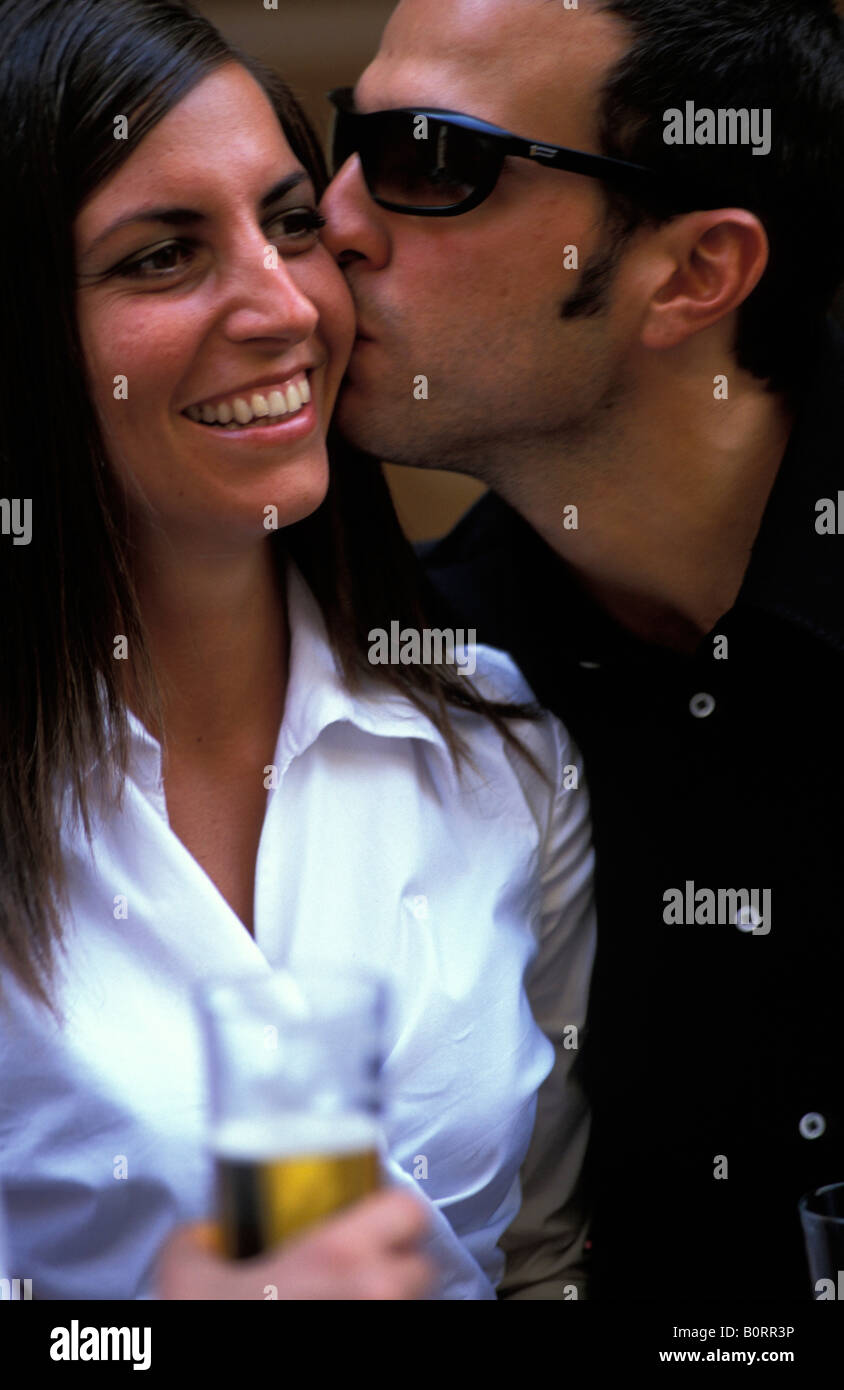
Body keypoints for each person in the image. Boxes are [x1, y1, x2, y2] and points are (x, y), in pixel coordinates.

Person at [0, 0, 595, 1302]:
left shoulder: (505, 752)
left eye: (288, 225)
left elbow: (545, 1259)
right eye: (162, 258)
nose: (282, 307)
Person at [320, 0, 844, 1300]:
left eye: (433, 158)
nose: (330, 218)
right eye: (350, 138)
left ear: (693, 273)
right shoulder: (417, 691)